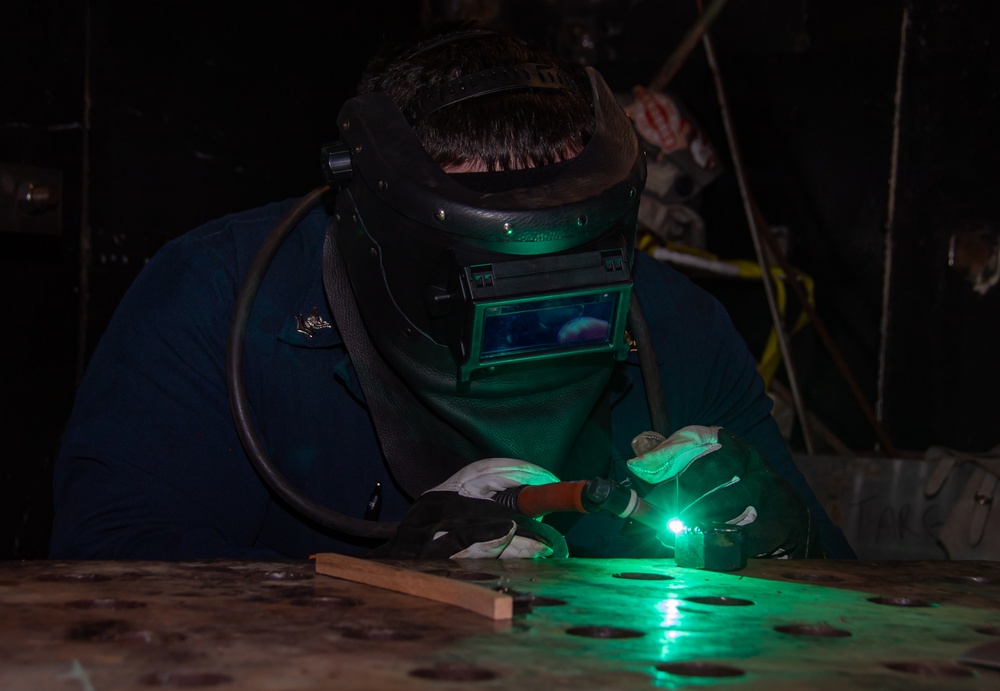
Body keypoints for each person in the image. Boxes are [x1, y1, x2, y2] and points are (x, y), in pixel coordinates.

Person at [50, 28, 854, 561]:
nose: (534, 297)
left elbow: (832, 615)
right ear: (371, 215)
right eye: (490, 253)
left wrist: (780, 542)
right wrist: (388, 588)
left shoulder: (678, 327)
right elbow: (111, 606)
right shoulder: (221, 301)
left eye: (570, 250)